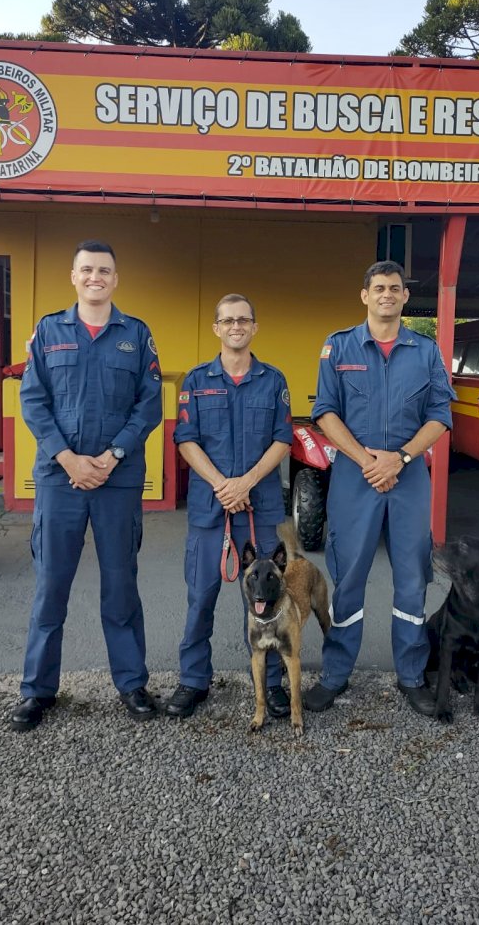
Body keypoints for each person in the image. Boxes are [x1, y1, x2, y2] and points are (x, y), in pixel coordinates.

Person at [9, 240, 163, 731]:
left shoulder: (136, 335)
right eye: (87, 270)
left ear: (116, 279)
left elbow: (149, 404)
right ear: (73, 276)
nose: (95, 277)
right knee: (51, 585)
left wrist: (112, 454)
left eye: (104, 270)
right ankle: (37, 691)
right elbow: (33, 400)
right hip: (61, 479)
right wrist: (69, 458)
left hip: (117, 481)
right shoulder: (49, 331)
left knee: (121, 586)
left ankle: (132, 684)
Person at [303, 260, 455, 716]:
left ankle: (410, 675)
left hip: (407, 478)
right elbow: (326, 413)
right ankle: (335, 674)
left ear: (406, 297)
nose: (387, 294)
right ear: (364, 295)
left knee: (412, 577)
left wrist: (401, 458)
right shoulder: (338, 346)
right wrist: (367, 460)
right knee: (348, 577)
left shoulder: (425, 352)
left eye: (395, 288)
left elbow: (440, 416)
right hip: (355, 476)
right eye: (379, 288)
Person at [166, 294, 293, 719]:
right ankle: (193, 681)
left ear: (254, 327)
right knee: (200, 598)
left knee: (266, 601)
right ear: (217, 328)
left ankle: (272, 685)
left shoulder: (274, 381)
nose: (236, 326)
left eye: (244, 319)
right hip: (211, 510)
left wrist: (247, 483)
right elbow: (186, 440)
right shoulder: (196, 381)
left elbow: (282, 438)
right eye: (228, 320)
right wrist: (224, 485)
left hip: (261, 510)